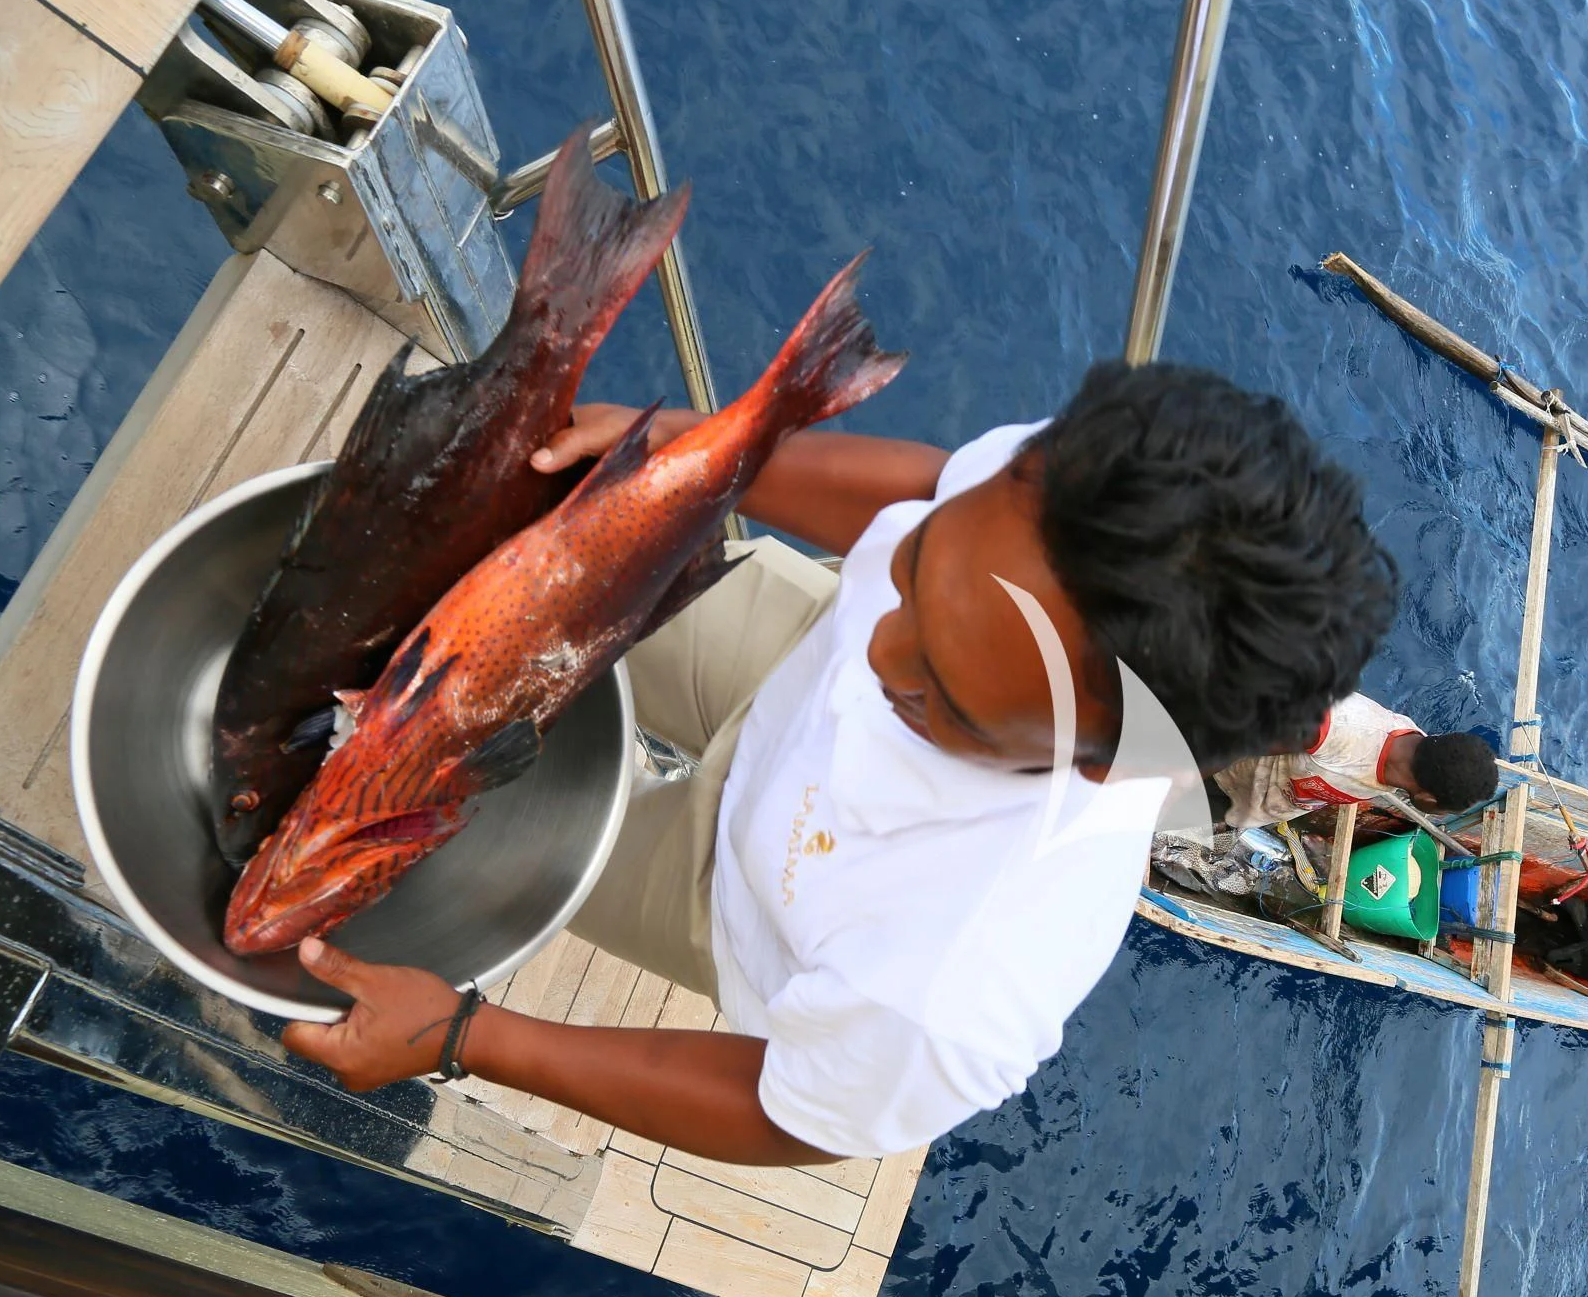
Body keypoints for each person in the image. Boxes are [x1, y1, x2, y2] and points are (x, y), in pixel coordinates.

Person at [282, 361, 1398, 1164]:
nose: (882, 646)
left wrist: (468, 1036)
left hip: (731, 898)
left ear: (1108, 762)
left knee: (434, 830)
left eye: (947, 696)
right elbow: (921, 481)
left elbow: (785, 1110)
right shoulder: (1098, 502)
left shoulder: (954, 985)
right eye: (917, 571)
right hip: (780, 648)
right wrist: (684, 460)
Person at [1210, 694, 1500, 830]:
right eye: (1441, 810)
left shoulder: (1419, 754)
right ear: (1426, 796)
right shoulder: (1337, 729)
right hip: (1218, 781)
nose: (1437, 816)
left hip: (1249, 806)